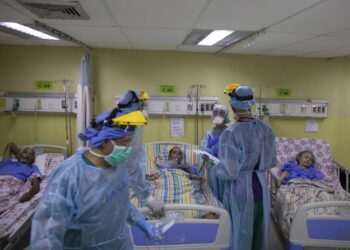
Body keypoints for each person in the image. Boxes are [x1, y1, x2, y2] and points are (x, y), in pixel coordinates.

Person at [29, 108, 159, 249]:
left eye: (130, 143)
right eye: (124, 143)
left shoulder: (118, 166)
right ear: (104, 141)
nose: (128, 149)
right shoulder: (68, 176)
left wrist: (140, 221)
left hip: (120, 244)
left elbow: (119, 201)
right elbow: (47, 233)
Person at [215, 85, 276, 250]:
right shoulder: (267, 129)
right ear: (251, 103)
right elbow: (272, 162)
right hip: (262, 186)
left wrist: (216, 166)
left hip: (241, 189)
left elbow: (230, 171)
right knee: (258, 228)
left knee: (241, 230)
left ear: (233, 106)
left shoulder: (231, 133)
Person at [118, 90, 165, 217]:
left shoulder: (128, 123)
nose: (145, 109)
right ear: (133, 107)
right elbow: (132, 167)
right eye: (142, 106)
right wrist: (147, 199)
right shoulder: (126, 128)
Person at [200, 104, 230, 201]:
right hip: (212, 166)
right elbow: (203, 149)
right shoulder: (209, 133)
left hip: (226, 166)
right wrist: (210, 149)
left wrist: (222, 151)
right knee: (213, 190)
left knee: (225, 191)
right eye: (216, 114)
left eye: (220, 114)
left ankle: (226, 212)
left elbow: (234, 149)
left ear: (225, 116)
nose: (218, 116)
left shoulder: (230, 132)